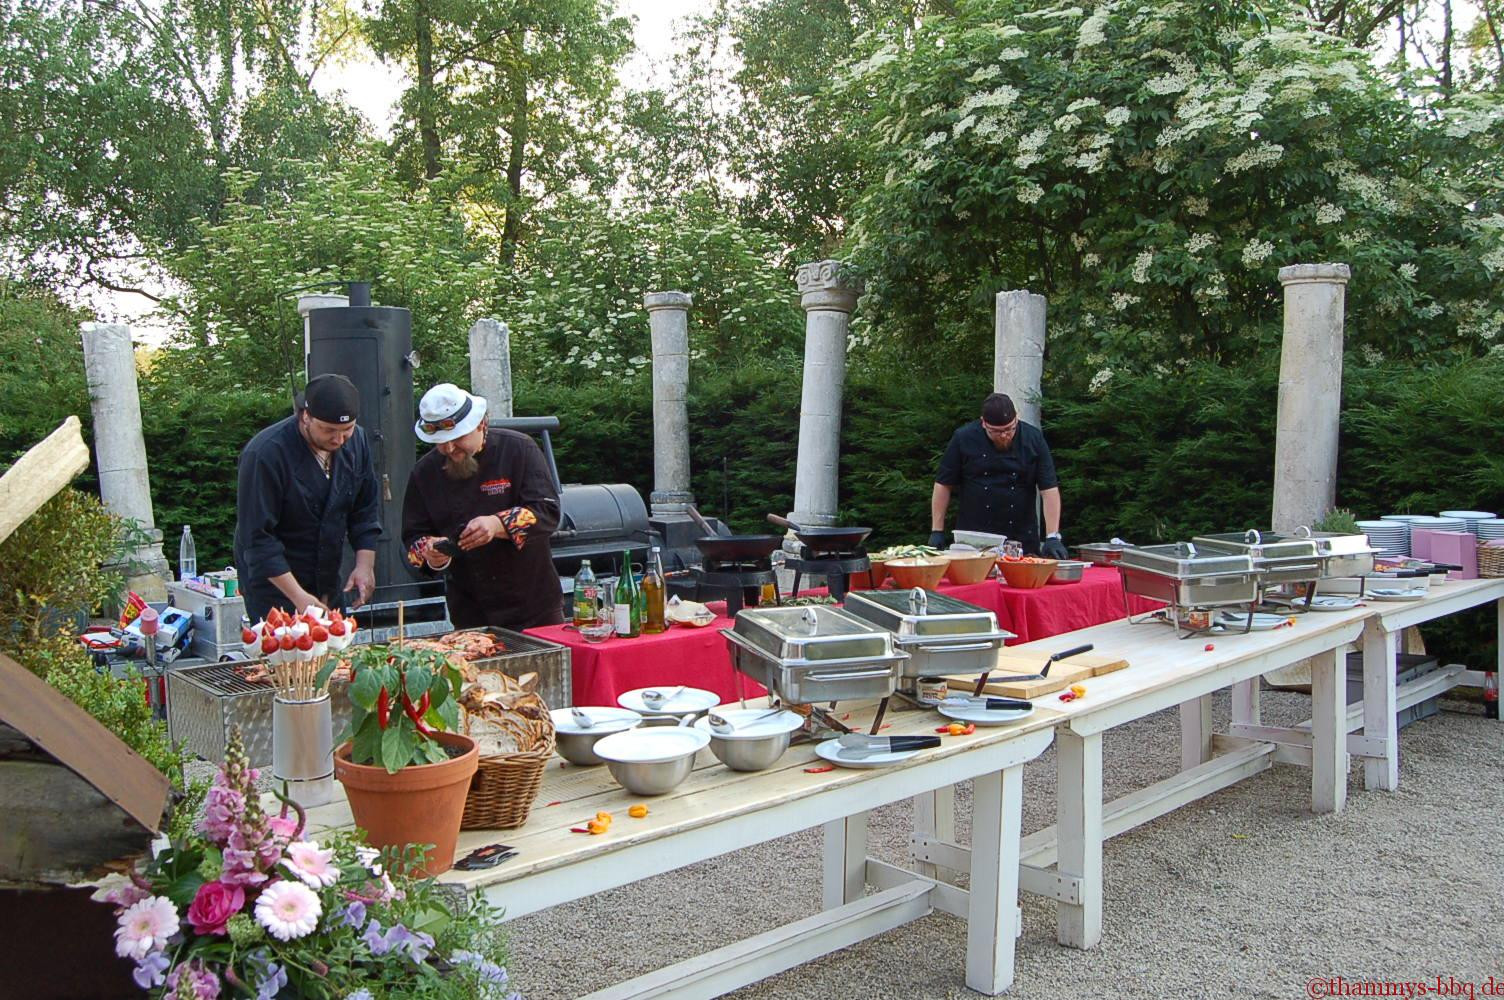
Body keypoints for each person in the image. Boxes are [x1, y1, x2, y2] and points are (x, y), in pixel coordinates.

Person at [402, 383, 565, 630]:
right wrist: (432, 554)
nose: (448, 449)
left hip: (534, 606)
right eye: (439, 442)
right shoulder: (424, 473)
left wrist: (496, 524)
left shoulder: (519, 449)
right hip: (470, 610)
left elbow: (548, 512)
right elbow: (412, 538)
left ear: (480, 424)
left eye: (456, 438)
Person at [234, 373, 381, 621]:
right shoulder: (265, 454)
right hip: (276, 585)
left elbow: (364, 509)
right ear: (305, 417)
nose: (339, 439)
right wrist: (299, 597)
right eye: (328, 430)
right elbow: (258, 539)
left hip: (327, 577)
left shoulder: (357, 442)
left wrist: (364, 565)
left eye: (347, 429)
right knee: (289, 656)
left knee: (335, 657)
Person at [930, 392, 1069, 559]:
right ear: (983, 423)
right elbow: (943, 484)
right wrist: (937, 530)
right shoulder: (963, 438)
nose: (1004, 435)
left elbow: (1049, 488)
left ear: (1016, 419)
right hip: (973, 540)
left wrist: (1052, 536)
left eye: (1009, 429)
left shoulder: (1033, 439)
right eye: (996, 431)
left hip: (1021, 538)